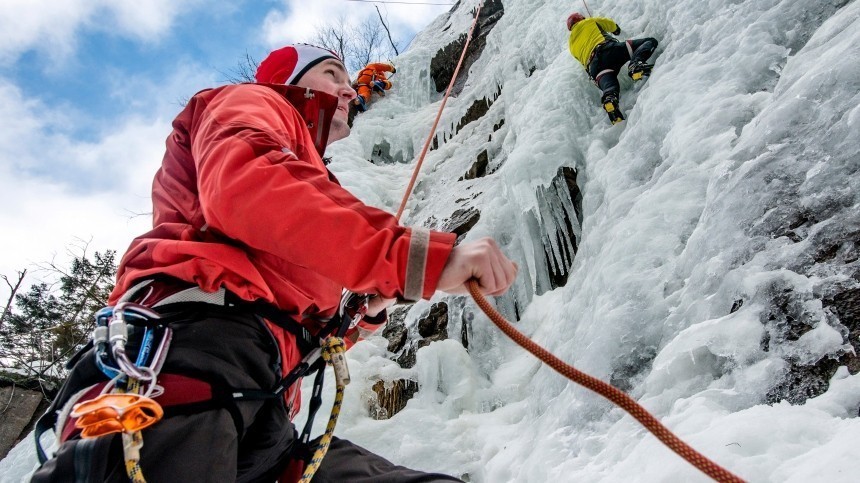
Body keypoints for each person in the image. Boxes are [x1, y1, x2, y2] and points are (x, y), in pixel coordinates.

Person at [32, 43, 517, 482]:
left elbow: (285, 308)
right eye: (332, 73)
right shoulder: (252, 102)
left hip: (261, 399)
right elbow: (248, 187)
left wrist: (358, 321)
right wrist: (416, 259)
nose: (349, 88)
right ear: (289, 80)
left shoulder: (303, 163)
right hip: (192, 351)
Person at [566, 12, 658, 124]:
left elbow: (583, 64)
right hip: (608, 50)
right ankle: (636, 65)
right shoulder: (588, 22)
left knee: (610, 87)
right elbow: (610, 24)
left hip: (595, 68)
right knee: (649, 42)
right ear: (581, 19)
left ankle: (610, 100)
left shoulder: (571, 45)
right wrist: (616, 30)